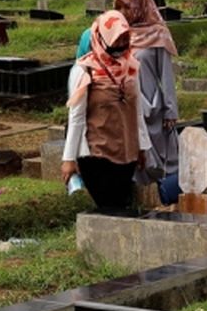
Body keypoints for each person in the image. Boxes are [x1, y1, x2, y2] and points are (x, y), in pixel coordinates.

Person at [61, 11, 150, 212]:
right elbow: (76, 118)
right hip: (96, 153)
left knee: (121, 204)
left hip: (126, 151)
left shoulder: (131, 67)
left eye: (125, 40)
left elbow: (136, 110)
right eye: (117, 40)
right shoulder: (84, 71)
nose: (121, 46)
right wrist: (68, 160)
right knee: (107, 205)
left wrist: (141, 147)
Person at [114, 0, 181, 205]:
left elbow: (166, 75)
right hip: (127, 104)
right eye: (118, 7)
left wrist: (170, 110)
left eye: (127, 6)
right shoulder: (117, 33)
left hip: (152, 106)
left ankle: (165, 198)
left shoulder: (157, 34)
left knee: (159, 157)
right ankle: (140, 200)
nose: (123, 12)